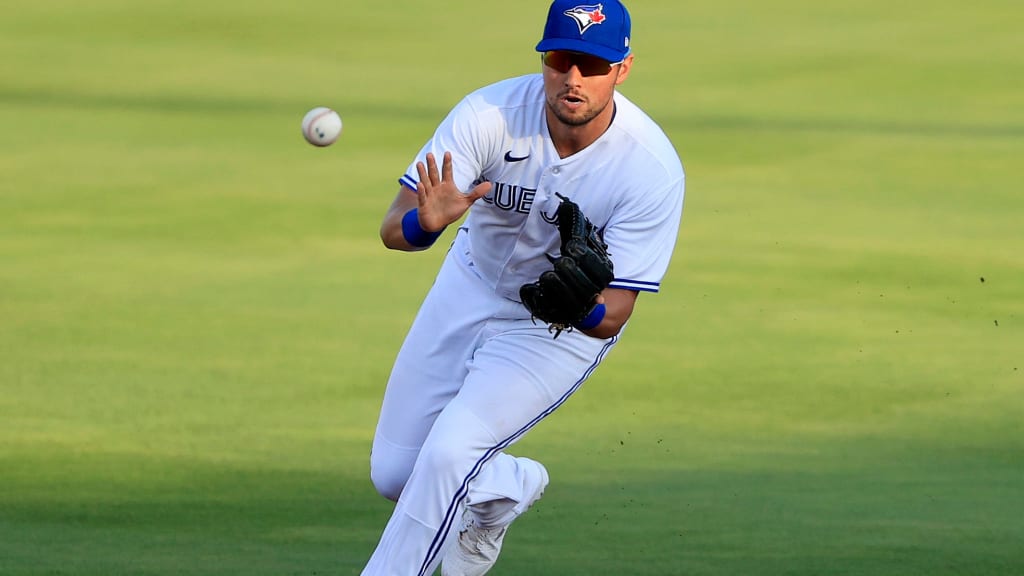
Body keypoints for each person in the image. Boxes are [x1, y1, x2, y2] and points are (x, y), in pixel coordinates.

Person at [361, 0, 685, 574]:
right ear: (544, 59)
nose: (574, 78)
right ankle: (507, 485)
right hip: (467, 283)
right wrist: (423, 224)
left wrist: (580, 305)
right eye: (562, 59)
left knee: (446, 457)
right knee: (394, 474)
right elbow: (395, 228)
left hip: (553, 330)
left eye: (593, 64)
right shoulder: (489, 114)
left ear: (623, 69)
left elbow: (614, 314)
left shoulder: (649, 169)